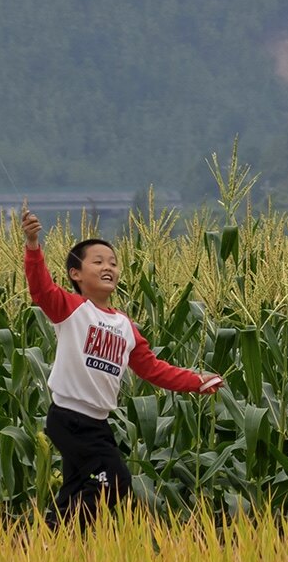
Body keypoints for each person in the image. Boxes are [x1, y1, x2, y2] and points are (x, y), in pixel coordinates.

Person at [19, 211, 222, 519]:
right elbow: (41, 289)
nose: (108, 267)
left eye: (113, 262)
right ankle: (61, 535)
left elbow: (152, 369)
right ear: (76, 274)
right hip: (69, 418)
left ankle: (48, 544)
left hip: (97, 423)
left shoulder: (124, 324)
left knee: (77, 489)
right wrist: (33, 244)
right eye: (98, 261)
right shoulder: (72, 309)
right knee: (115, 482)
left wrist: (197, 381)